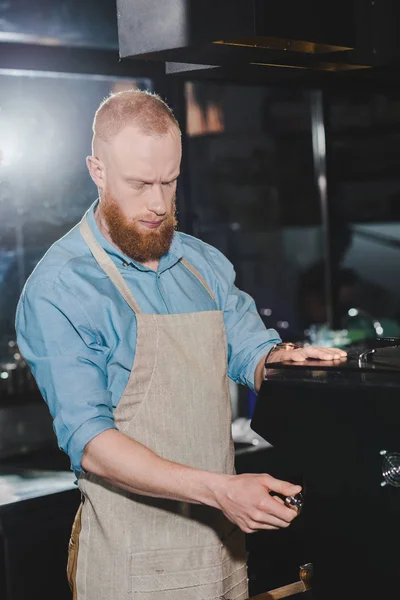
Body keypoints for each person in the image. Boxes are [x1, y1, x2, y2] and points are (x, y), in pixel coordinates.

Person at [15, 90, 346, 600]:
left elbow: (248, 350)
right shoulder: (61, 288)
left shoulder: (201, 262)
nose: (157, 204)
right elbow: (92, 444)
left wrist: (282, 362)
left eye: (169, 182)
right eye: (140, 184)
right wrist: (219, 489)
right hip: (131, 568)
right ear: (97, 171)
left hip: (223, 554)